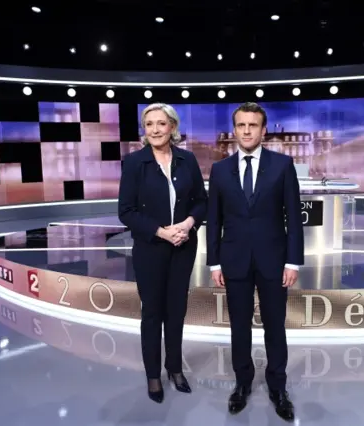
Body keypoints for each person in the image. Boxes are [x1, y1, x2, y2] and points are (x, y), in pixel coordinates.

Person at [206, 102, 303, 421]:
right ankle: (242, 383)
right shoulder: (220, 170)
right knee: (239, 328)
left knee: (275, 327)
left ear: (263, 130)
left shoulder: (283, 165)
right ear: (235, 130)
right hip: (234, 260)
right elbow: (214, 219)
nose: (246, 130)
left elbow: (293, 218)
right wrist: (214, 263)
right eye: (241, 125)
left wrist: (293, 262)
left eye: (253, 125)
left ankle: (278, 387)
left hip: (274, 261)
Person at [118, 103, 207, 404]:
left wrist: (188, 223)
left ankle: (175, 369)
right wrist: (160, 231)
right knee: (153, 312)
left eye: (161, 123)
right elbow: (126, 212)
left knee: (176, 311)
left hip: (183, 246)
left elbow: (201, 202)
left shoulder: (188, 160)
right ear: (145, 130)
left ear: (172, 127)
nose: (155, 130)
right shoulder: (134, 163)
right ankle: (153, 375)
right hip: (151, 248)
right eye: (149, 124)